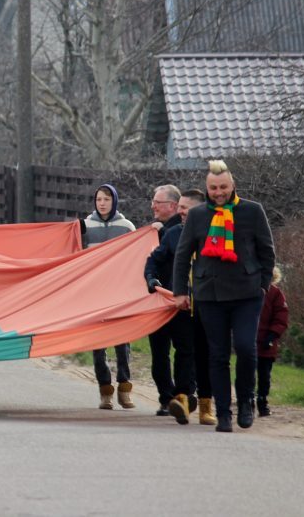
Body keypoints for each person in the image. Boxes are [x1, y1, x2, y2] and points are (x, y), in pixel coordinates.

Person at [173, 160, 275, 433]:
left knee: (245, 347)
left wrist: (263, 285)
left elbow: (267, 252)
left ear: (233, 186)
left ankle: (245, 402)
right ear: (207, 188)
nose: (219, 192)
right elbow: (182, 256)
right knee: (217, 355)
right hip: (210, 295)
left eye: (223, 187)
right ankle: (223, 413)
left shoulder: (252, 211)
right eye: (213, 188)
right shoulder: (197, 216)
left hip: (247, 293)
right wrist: (180, 291)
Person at [144, 188, 202, 424]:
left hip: (188, 306)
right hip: (163, 301)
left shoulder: (212, 232)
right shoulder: (172, 233)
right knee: (159, 353)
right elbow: (153, 261)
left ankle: (183, 396)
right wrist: (151, 280)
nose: (180, 212)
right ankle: (167, 398)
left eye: (184, 208)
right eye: (179, 208)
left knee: (187, 352)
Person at [83, 184, 137, 410]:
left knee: (122, 342)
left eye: (106, 199)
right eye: (98, 199)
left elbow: (135, 253)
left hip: (119, 291)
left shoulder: (126, 227)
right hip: (95, 293)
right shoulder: (86, 226)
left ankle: (124, 388)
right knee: (98, 343)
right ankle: (105, 390)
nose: (102, 203)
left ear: (114, 201)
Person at [256, 266, 289, 417]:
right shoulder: (250, 290)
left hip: (267, 342)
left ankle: (262, 400)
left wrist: (272, 335)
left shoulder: (275, 293)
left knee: (264, 375)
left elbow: (281, 317)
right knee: (248, 372)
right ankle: (248, 398)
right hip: (251, 340)